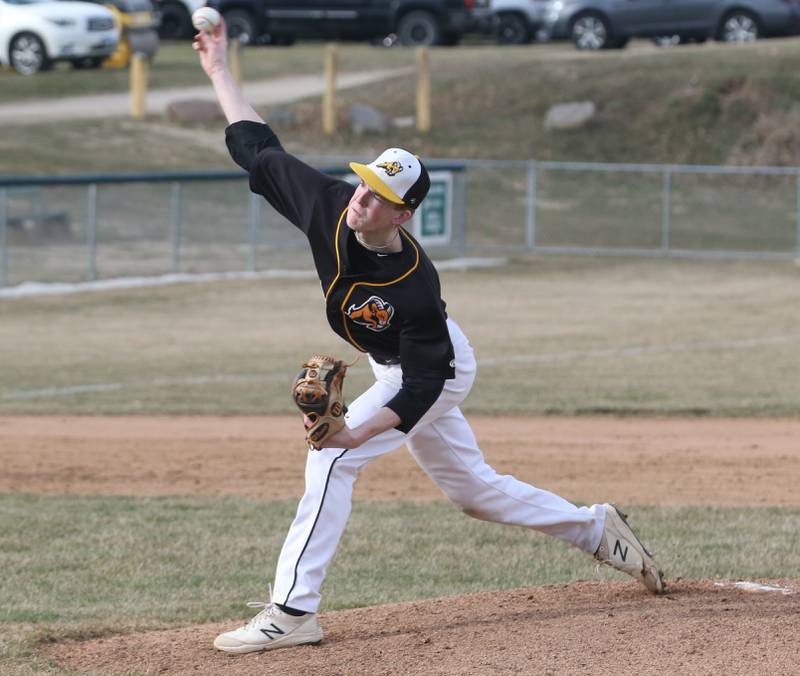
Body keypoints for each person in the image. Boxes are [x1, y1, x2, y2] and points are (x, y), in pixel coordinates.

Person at [193, 23, 666, 656]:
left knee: (332, 458)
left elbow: (423, 385)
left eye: (380, 195)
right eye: (363, 183)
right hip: (397, 367)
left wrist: (353, 432)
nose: (362, 198)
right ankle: (593, 527)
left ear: (403, 214)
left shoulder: (414, 285)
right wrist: (220, 67)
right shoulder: (330, 205)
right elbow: (256, 147)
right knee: (473, 493)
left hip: (434, 368)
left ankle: (293, 611)